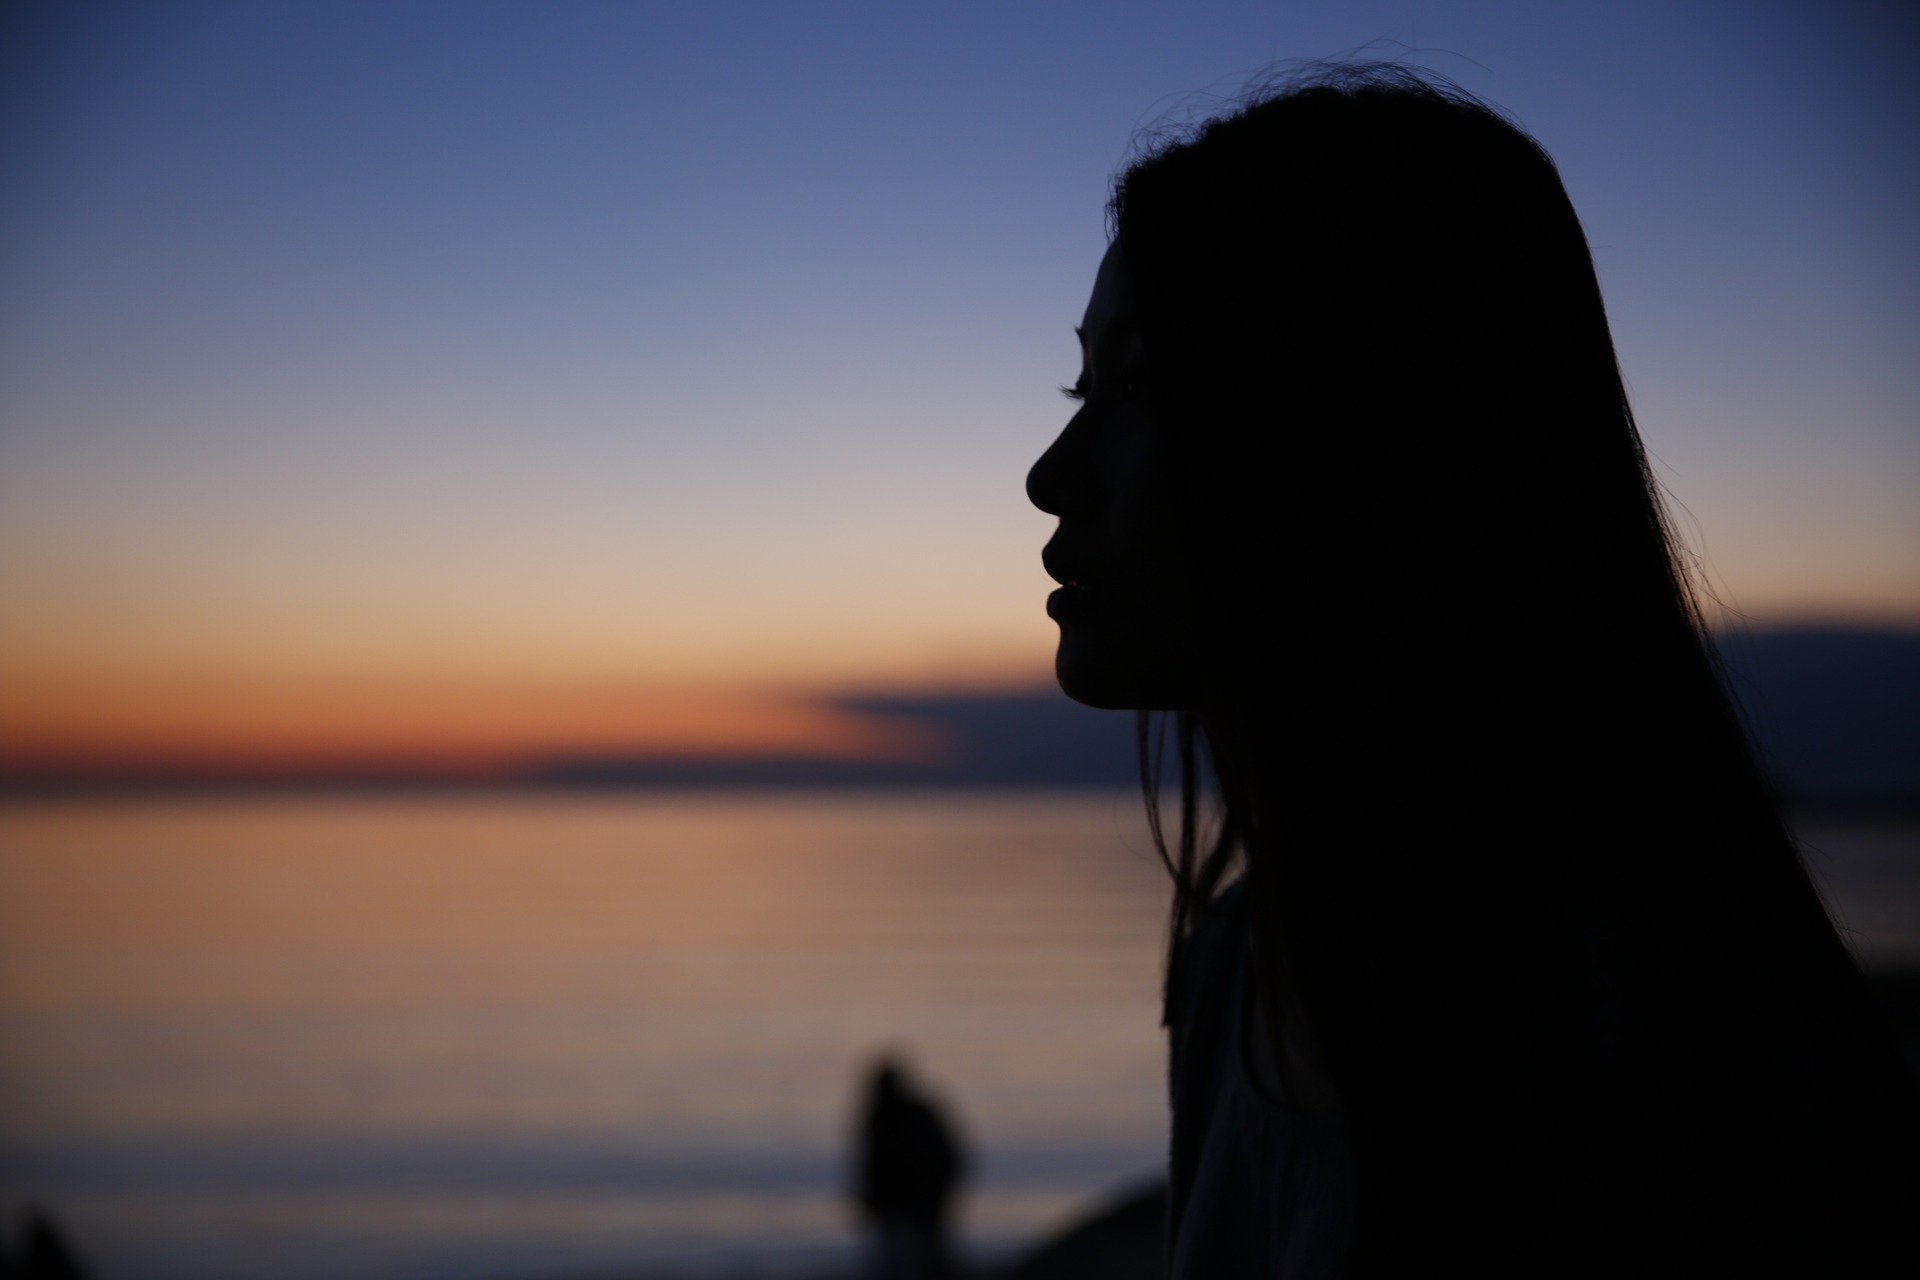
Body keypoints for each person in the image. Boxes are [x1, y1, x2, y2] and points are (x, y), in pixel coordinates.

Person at [1025, 64, 1919, 1278]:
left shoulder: (1618, 1013)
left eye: (1142, 387)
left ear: (1364, 432)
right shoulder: (1241, 960)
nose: (1051, 473)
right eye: (1086, 383)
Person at [853, 1056, 966, 1280]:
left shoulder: (897, 1116)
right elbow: (872, 1164)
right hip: (903, 1200)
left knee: (921, 1253)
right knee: (906, 1255)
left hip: (918, 1198)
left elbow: (942, 1156)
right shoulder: (885, 1117)